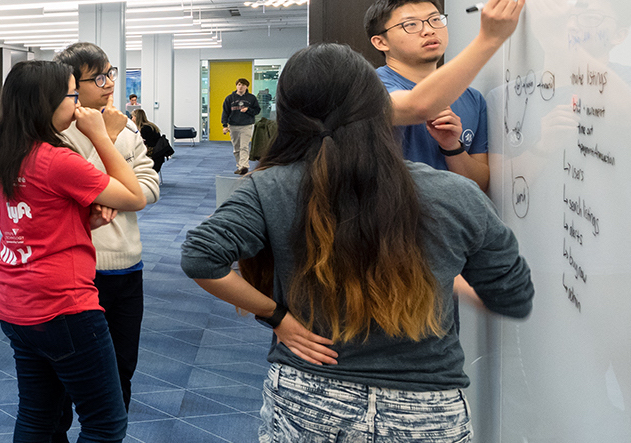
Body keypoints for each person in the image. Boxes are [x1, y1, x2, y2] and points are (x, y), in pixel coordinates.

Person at [181, 43, 534, 443]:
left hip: (309, 396)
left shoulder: (269, 186)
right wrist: (444, 273)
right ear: (381, 107)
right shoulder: (455, 192)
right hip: (425, 409)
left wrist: (276, 316)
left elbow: (200, 257)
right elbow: (513, 296)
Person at [0, 59, 145, 442]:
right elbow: (134, 196)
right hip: (64, 306)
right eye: (73, 96)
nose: (78, 106)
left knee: (37, 416)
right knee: (105, 423)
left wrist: (79, 217)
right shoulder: (56, 159)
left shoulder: (7, 151)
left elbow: (37, 215)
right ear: (48, 101)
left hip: (17, 304)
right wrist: (101, 136)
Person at [52, 43, 159, 436]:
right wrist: (109, 142)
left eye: (111, 73)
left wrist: (122, 193)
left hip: (128, 263)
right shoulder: (59, 130)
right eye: (98, 78)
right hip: (81, 268)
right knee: (66, 379)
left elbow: (147, 183)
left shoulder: (125, 124)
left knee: (121, 371)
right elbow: (80, 185)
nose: (109, 83)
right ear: (71, 85)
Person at [365, 0, 525, 191]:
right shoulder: (369, 86)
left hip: (452, 220)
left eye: (435, 20)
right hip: (394, 220)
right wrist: (489, 38)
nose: (429, 30)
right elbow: (418, 106)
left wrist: (452, 147)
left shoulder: (473, 99)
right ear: (381, 42)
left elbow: (479, 185)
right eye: (411, 24)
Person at [221, 78, 261, 175]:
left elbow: (257, 110)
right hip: (233, 125)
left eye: (243, 85)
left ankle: (244, 166)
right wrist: (225, 125)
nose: (240, 86)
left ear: (247, 86)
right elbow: (225, 112)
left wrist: (248, 110)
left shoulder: (251, 98)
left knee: (244, 146)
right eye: (239, 84)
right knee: (236, 148)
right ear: (236, 86)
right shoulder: (229, 98)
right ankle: (240, 166)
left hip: (246, 125)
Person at [131, 108, 168, 173]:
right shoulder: (150, 125)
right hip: (158, 153)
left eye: (132, 117)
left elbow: (144, 144)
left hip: (153, 154)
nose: (132, 119)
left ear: (137, 117)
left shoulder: (145, 129)